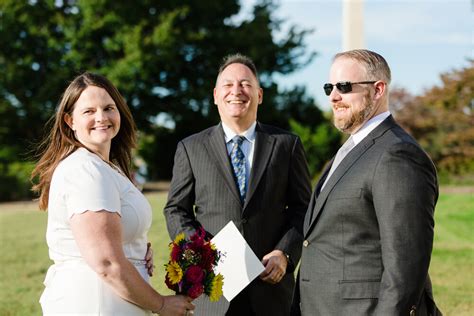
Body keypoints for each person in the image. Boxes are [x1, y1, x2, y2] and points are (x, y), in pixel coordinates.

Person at [292, 49, 441, 316]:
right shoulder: (349, 150)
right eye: (329, 87)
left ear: (378, 89)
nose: (333, 97)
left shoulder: (397, 154)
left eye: (345, 87)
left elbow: (405, 267)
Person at [31, 72, 195, 315]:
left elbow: (110, 238)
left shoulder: (108, 167)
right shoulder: (85, 169)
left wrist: (136, 249)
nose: (102, 117)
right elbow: (106, 263)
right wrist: (162, 304)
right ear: (69, 121)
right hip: (95, 303)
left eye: (109, 108)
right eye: (89, 111)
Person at [164, 53, 312, 316]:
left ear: (259, 94)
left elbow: (303, 209)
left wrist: (284, 253)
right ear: (215, 94)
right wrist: (202, 253)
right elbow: (176, 210)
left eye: (245, 84)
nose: (237, 91)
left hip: (271, 292)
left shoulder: (286, 145)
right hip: (212, 293)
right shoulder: (190, 148)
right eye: (228, 85)